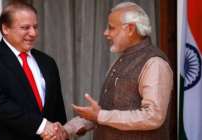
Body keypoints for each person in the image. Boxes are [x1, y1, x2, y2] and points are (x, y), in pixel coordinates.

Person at [45, 2, 174, 140]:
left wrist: (100, 115)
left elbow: (153, 116)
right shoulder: (121, 60)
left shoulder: (155, 63)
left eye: (111, 28)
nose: (106, 33)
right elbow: (106, 113)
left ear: (130, 29)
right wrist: (67, 129)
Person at [0, 1, 66, 140]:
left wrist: (59, 133)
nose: (33, 33)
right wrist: (42, 125)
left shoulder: (47, 62)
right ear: (5, 28)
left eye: (35, 27)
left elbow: (57, 109)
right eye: (25, 27)